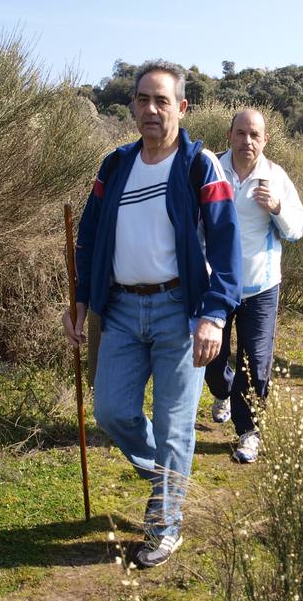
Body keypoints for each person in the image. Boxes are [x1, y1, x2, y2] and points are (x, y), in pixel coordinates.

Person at [64, 60, 241, 568]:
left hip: (179, 311)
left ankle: (165, 524)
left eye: (162, 100)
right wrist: (81, 300)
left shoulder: (198, 165)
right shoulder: (114, 165)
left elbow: (228, 247)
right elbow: (90, 236)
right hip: (118, 308)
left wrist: (214, 315)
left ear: (182, 108)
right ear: (132, 106)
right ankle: (168, 476)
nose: (151, 109)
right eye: (143, 99)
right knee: (111, 411)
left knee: (175, 423)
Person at [206, 108, 303, 463]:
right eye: (241, 133)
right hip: (215, 285)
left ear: (265, 140)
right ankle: (222, 392)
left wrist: (278, 207)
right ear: (230, 136)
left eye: (255, 135)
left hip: (261, 286)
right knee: (212, 361)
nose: (247, 141)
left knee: (256, 361)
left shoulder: (275, 177)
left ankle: (249, 432)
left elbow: (298, 228)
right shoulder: (210, 171)